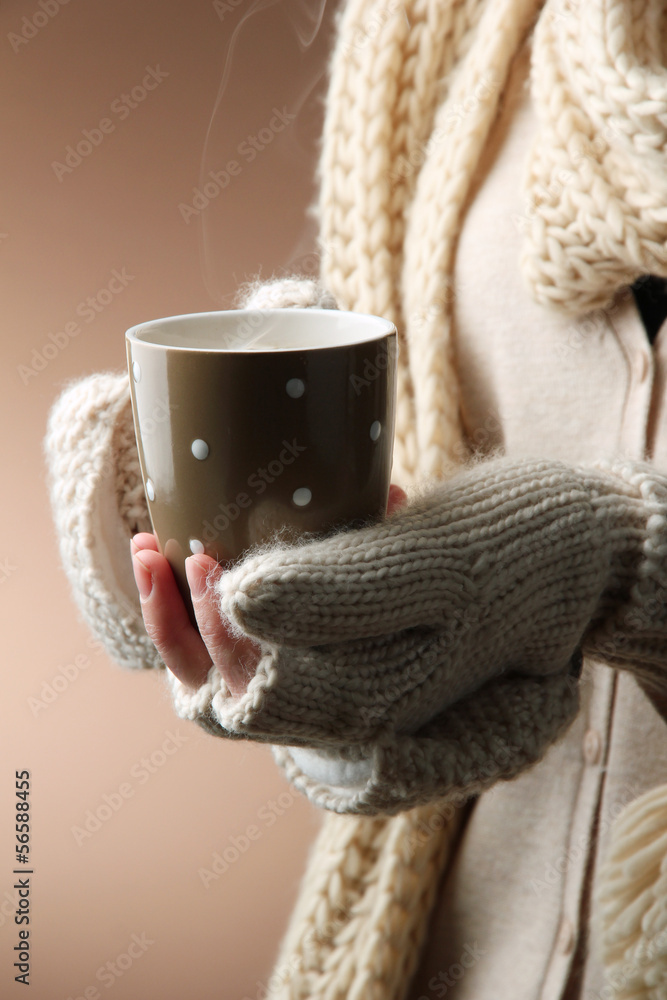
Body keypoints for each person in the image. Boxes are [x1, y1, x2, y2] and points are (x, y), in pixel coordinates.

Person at [43, 1, 667, 998]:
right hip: (449, 953)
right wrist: (321, 648)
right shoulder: (433, 22)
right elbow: (409, 540)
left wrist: (620, 560)